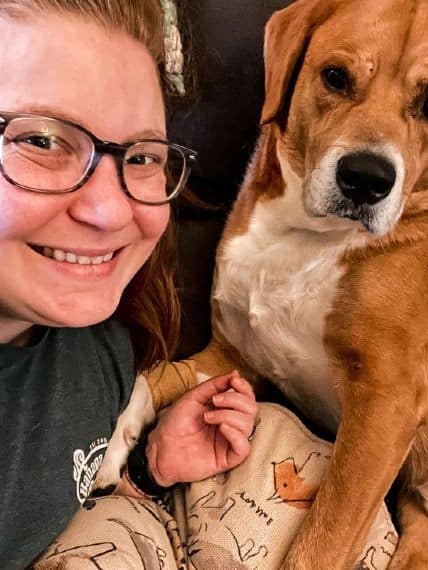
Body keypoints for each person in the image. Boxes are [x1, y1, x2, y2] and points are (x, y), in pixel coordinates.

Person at [0, 1, 257, 567]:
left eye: (141, 157)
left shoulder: (102, 349)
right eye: (42, 140)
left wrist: (149, 465)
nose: (111, 211)